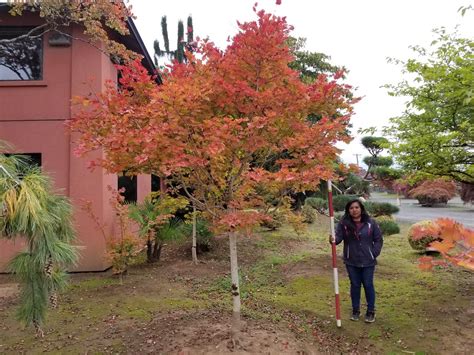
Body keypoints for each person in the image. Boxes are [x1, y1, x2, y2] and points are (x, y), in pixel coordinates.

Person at [331, 199, 383, 323]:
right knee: (355, 285)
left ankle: (370, 311)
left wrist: (373, 253)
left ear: (361, 209)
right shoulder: (344, 224)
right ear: (348, 210)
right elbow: (338, 239)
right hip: (351, 260)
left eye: (356, 207)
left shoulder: (371, 223)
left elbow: (378, 240)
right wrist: (332, 239)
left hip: (368, 261)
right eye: (351, 208)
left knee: (368, 284)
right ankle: (355, 310)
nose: (354, 210)